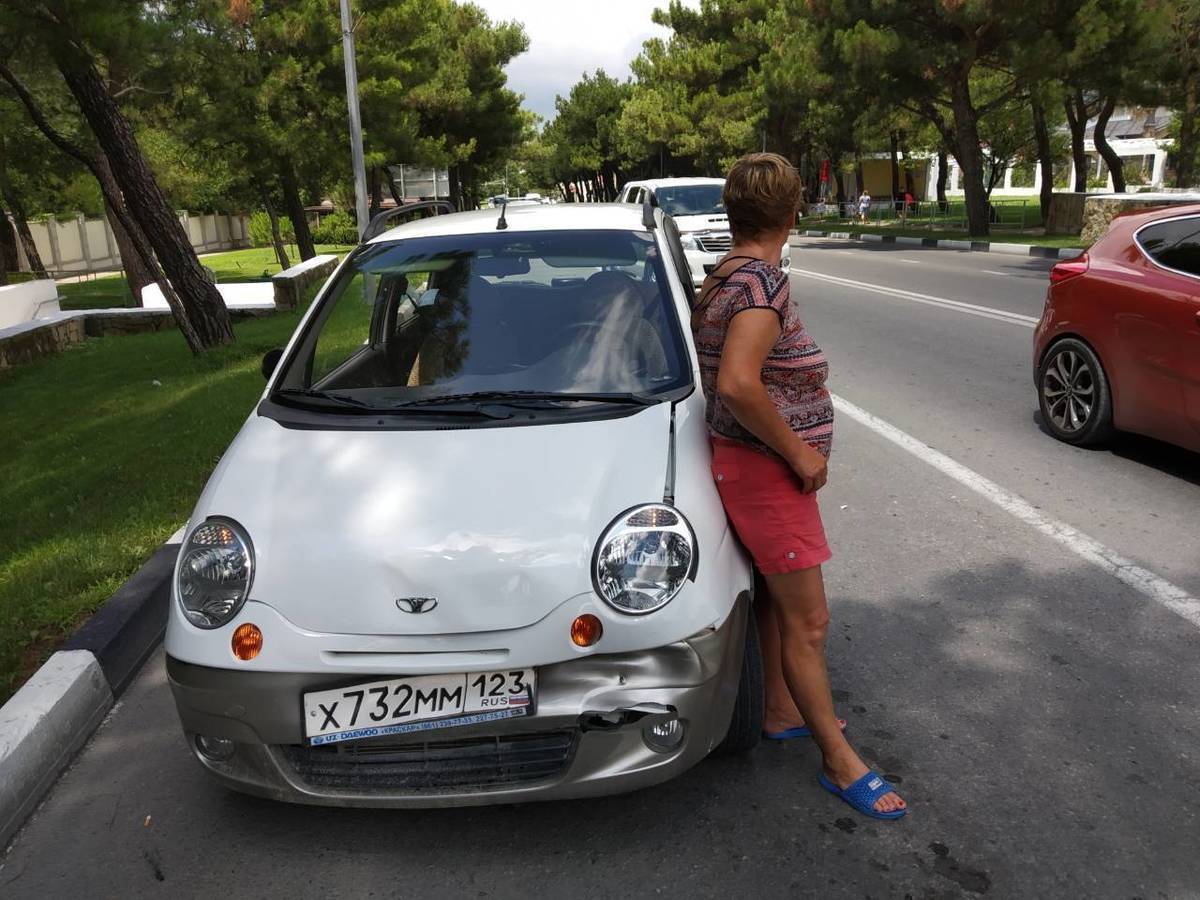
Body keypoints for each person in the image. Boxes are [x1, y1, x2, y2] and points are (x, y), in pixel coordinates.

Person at [691, 153, 907, 821]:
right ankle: (839, 762)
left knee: (775, 605)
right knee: (810, 621)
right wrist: (800, 455)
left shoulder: (727, 274)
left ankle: (781, 711)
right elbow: (736, 384)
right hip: (765, 472)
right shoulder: (760, 286)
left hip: (745, 464)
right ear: (792, 212)